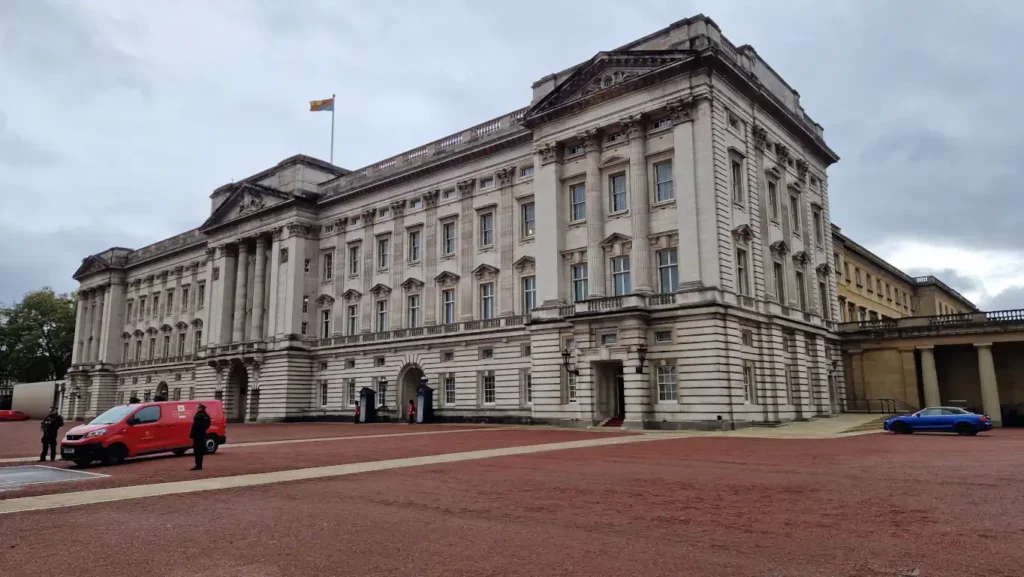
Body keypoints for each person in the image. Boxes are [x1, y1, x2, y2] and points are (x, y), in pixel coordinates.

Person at [189, 404, 211, 471]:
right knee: (200, 450)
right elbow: (208, 424)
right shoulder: (206, 415)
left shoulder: (198, 416)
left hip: (197, 435)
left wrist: (192, 433)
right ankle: (199, 464)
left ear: (201, 408)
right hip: (202, 434)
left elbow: (195, 426)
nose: (197, 408)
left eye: (198, 407)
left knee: (197, 450)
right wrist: (203, 429)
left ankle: (198, 465)